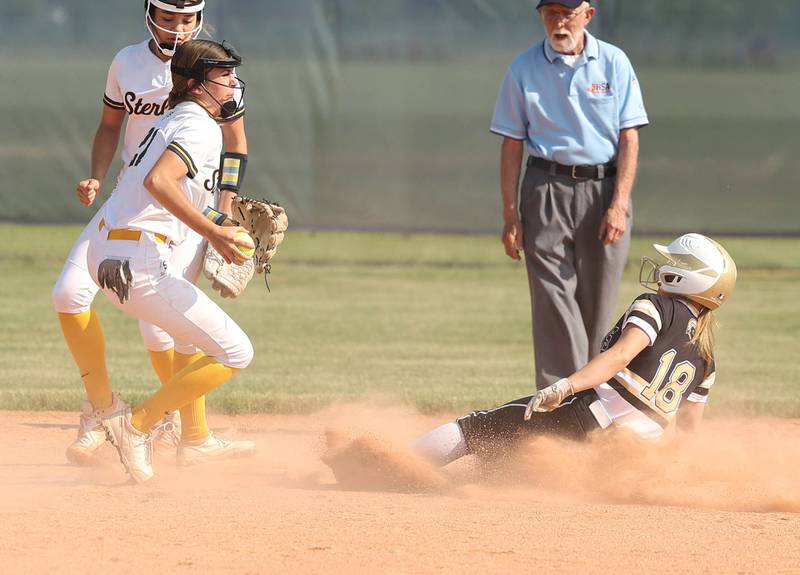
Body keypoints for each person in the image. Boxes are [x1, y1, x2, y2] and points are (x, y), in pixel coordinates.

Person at [52, 0, 252, 465]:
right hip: (137, 203)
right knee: (70, 294)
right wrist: (98, 176)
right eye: (168, 16)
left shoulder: (211, 65)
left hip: (184, 209)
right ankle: (112, 414)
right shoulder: (130, 63)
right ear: (149, 14)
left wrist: (221, 216)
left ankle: (190, 436)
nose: (177, 26)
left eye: (187, 17)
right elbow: (115, 133)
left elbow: (236, 144)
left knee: (168, 329)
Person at [413, 234, 737, 467]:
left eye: (675, 262)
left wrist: (564, 386)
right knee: (525, 462)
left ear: (690, 277)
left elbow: (620, 356)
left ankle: (399, 467)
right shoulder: (706, 358)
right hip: (631, 453)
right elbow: (687, 433)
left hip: (590, 415)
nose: (665, 265)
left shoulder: (656, 306)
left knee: (479, 427)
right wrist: (660, 469)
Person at [492, 0, 649, 390]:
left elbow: (629, 137)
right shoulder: (523, 68)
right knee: (551, 297)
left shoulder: (614, 62)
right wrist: (511, 215)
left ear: (588, 15)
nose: (559, 22)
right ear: (541, 16)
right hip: (545, 186)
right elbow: (512, 144)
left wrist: (619, 204)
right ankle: (559, 401)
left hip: (604, 189)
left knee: (600, 302)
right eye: (550, 13)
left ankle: (594, 398)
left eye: (567, 13)